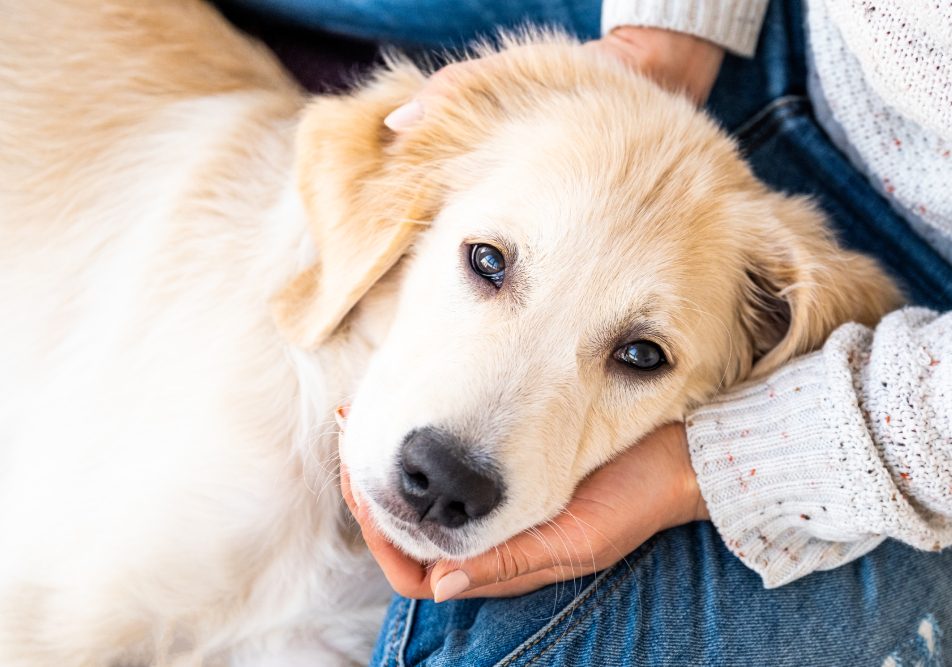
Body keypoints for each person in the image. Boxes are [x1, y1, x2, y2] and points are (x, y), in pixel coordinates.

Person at [234, 0, 952, 663]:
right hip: (801, 32)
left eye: (640, 355)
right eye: (489, 263)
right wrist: (664, 31)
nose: (450, 469)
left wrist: (720, 466)